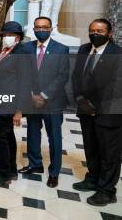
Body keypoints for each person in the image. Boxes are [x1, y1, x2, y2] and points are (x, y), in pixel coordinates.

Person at [72, 19, 122, 206]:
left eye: (100, 31)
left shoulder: (117, 53)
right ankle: (93, 178)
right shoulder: (84, 49)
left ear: (110, 33)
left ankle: (107, 190)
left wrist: (95, 105)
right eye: (92, 30)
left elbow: (116, 85)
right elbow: (76, 76)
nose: (95, 34)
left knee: (109, 153)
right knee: (91, 147)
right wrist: (80, 100)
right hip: (85, 110)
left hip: (109, 113)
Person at [20, 16, 69, 188]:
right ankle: (35, 164)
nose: (41, 30)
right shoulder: (27, 48)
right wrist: (32, 94)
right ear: (33, 29)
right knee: (33, 133)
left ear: (50, 29)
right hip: (32, 100)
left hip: (53, 101)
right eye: (38, 27)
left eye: (45, 27)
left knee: (54, 137)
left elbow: (63, 76)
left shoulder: (61, 49)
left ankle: (54, 172)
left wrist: (44, 95)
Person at [0, 21, 27, 187]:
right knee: (8, 136)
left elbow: (25, 83)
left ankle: (3, 175)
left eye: (11, 35)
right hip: (1, 100)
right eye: (5, 35)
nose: (7, 38)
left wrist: (19, 110)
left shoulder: (21, 53)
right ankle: (11, 170)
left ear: (18, 37)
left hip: (9, 103)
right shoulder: (6, 51)